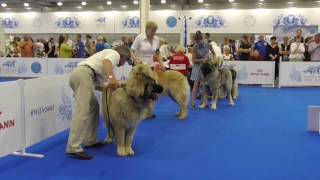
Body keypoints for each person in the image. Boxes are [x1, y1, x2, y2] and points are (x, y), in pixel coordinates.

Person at [66, 45, 131, 160]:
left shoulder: (107, 64)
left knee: (94, 107)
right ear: (123, 56)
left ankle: (90, 140)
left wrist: (117, 85)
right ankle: (73, 147)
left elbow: (102, 86)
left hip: (83, 76)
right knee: (83, 110)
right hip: (83, 75)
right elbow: (107, 63)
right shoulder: (114, 54)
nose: (124, 63)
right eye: (126, 60)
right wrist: (112, 78)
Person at [190, 31, 214, 108]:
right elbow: (193, 60)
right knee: (196, 84)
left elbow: (214, 53)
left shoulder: (208, 45)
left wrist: (213, 60)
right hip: (197, 66)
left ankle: (204, 102)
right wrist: (202, 60)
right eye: (196, 42)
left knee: (205, 85)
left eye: (199, 41)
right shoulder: (194, 47)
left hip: (207, 66)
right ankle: (193, 103)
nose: (198, 43)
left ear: (203, 39)